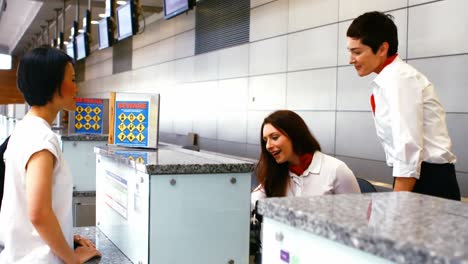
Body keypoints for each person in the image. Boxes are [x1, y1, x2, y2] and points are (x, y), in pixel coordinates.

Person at [0, 46, 101, 263]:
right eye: (72, 80)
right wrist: (72, 258)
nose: (76, 87)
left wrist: (62, 236)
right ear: (53, 85)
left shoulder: (25, 130)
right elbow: (39, 213)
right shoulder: (42, 140)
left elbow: (26, 208)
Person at [346, 11, 460, 200]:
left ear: (382, 49)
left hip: (428, 180)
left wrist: (397, 204)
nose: (351, 59)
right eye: (349, 51)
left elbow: (407, 147)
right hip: (414, 176)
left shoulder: (400, 79)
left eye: (357, 52)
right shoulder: (388, 79)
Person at [251, 110, 361, 208]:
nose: (268, 146)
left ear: (295, 135)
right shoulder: (276, 172)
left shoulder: (337, 170)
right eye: (265, 140)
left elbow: (357, 216)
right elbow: (253, 201)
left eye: (274, 137)